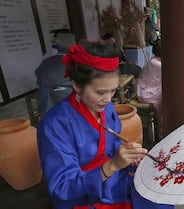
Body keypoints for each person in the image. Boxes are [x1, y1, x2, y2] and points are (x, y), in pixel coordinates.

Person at [37, 39, 173, 209]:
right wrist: (112, 165)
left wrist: (127, 155)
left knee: (159, 198)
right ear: (76, 85)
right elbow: (61, 188)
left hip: (113, 176)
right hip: (81, 192)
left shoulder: (106, 107)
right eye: (100, 92)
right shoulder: (54, 125)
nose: (108, 99)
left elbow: (112, 144)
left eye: (113, 90)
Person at [35, 30, 76, 115]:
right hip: (62, 98)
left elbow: (38, 73)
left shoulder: (47, 60)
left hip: (44, 99)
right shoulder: (73, 61)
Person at [137, 40, 163, 135]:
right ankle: (161, 126)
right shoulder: (158, 65)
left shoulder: (154, 60)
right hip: (147, 93)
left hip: (144, 90)